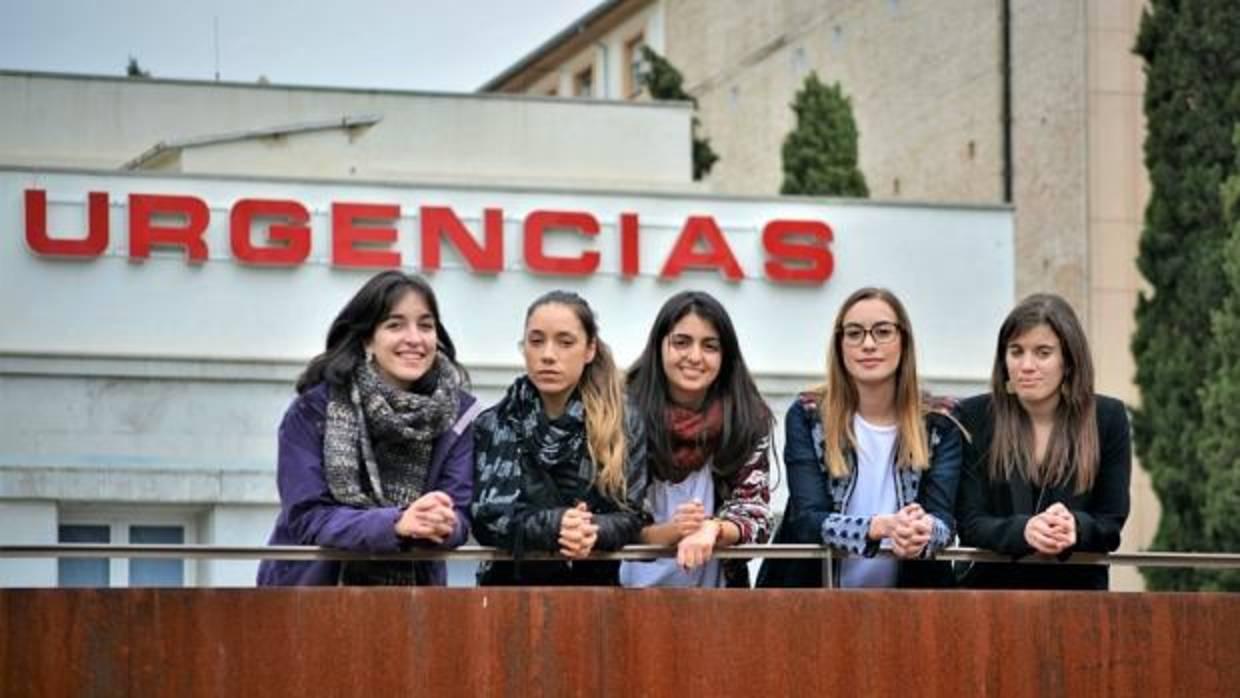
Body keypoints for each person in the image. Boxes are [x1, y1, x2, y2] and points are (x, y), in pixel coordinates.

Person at [257, 271, 479, 586]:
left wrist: (443, 522)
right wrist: (397, 523)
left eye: (426, 326)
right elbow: (308, 516)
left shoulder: (458, 415)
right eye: (395, 325)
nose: (414, 338)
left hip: (414, 605)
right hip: (309, 598)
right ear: (367, 338)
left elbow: (462, 515)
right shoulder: (313, 411)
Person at [759, 287, 962, 588]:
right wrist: (876, 528)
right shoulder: (808, 414)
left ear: (903, 341)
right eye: (854, 333)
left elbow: (945, 522)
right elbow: (807, 520)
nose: (868, 344)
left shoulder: (940, 421)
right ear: (840, 344)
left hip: (910, 609)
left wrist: (923, 531)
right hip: (810, 602)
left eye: (882, 331)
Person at [955, 293, 1130, 590]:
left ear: (1069, 361)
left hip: (1077, 598)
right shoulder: (974, 416)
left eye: (1043, 352)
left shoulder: (1108, 418)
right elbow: (970, 523)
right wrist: (1024, 530)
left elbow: (1110, 523)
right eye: (1016, 351)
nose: (1026, 365)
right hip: (989, 597)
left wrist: (1075, 526)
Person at [471, 291, 647, 585]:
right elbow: (485, 518)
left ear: (589, 350)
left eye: (565, 342)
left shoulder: (622, 423)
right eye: (536, 341)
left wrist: (590, 529)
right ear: (523, 347)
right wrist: (555, 524)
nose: (548, 355)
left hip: (594, 595)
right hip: (507, 595)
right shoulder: (494, 422)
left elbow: (633, 517)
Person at [619, 291, 774, 588]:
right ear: (659, 346)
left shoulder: (746, 418)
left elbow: (757, 515)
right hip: (623, 598)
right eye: (681, 342)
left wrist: (712, 529)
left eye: (710, 346)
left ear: (725, 355)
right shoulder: (620, 415)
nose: (694, 357)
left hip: (719, 603)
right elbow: (612, 517)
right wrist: (671, 531)